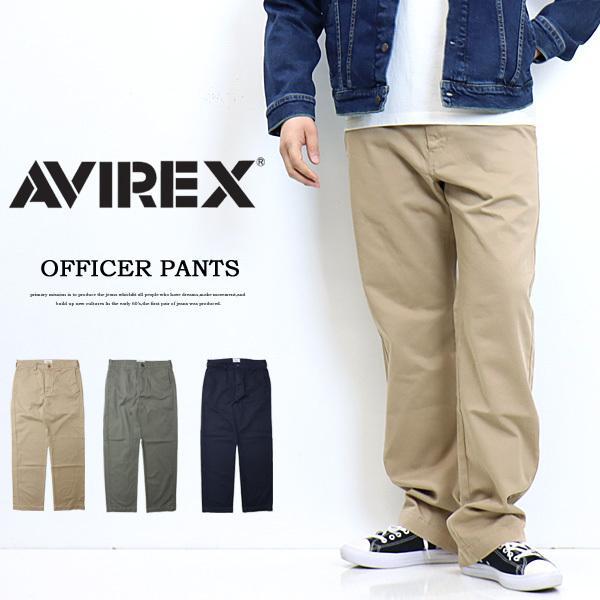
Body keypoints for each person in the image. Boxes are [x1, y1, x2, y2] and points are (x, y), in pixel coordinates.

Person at [263, 0, 600, 592]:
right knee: (410, 331)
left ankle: (493, 526)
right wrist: (291, 102)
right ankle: (429, 519)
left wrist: (544, 36)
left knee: (497, 320)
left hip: (493, 120)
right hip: (379, 123)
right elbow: (292, 7)